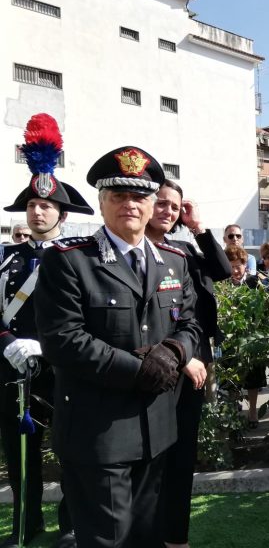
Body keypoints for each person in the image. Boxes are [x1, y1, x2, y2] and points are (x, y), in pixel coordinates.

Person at [34, 146, 203, 547]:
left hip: (157, 429)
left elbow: (191, 323)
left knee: (146, 537)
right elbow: (63, 340)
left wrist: (173, 354)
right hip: (99, 433)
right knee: (108, 540)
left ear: (151, 204)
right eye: (118, 196)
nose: (130, 204)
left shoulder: (174, 261)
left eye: (139, 196)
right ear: (101, 202)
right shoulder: (70, 261)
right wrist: (140, 369)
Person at [0, 114, 94, 548]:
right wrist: (8, 343)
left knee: (73, 451)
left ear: (61, 212)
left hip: (64, 370)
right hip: (12, 371)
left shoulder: (80, 258)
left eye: (47, 206)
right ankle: (25, 524)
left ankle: (72, 525)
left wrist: (52, 344)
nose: (38, 212)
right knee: (21, 459)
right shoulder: (5, 258)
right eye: (33, 206)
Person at [145, 179, 231, 548]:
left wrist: (197, 227)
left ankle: (176, 537)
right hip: (150, 364)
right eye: (161, 203)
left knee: (181, 454)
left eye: (174, 207)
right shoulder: (131, 249)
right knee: (148, 456)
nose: (167, 211)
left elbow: (223, 270)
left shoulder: (184, 250)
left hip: (194, 361)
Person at [223, 244, 266, 426]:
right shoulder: (222, 286)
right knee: (231, 376)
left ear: (245, 265)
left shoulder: (255, 283)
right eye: (231, 266)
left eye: (238, 266)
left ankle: (253, 412)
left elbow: (264, 309)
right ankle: (233, 413)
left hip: (252, 336)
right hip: (230, 338)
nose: (235, 270)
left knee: (254, 376)